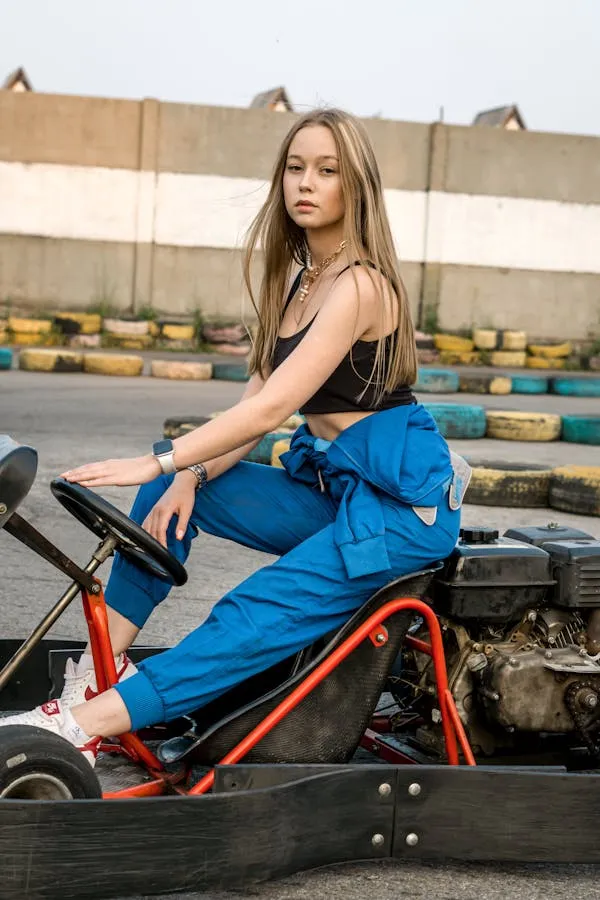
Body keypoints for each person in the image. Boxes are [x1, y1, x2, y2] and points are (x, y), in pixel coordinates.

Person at [0, 108, 469, 766]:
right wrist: (183, 476)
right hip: (335, 489)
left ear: (354, 187)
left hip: (396, 513)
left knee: (255, 609)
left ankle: (83, 723)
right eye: (295, 167)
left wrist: (151, 457)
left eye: (327, 171)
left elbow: (276, 405)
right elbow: (253, 397)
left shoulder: (361, 284)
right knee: (171, 492)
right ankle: (98, 675)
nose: (306, 182)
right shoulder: (295, 276)